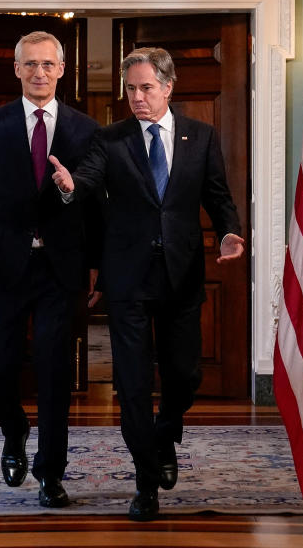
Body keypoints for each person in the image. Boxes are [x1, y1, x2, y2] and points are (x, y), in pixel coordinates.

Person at [50, 47, 245, 521]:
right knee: (132, 385)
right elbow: (90, 178)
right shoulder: (111, 138)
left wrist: (229, 231)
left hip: (181, 275)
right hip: (128, 278)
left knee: (184, 375)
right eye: (131, 89)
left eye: (146, 88)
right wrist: (70, 185)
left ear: (168, 87)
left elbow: (217, 194)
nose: (136, 97)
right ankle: (145, 483)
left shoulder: (201, 136)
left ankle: (166, 432)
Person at [0, 30, 101, 508]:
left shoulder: (85, 129)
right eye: (30, 65)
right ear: (17, 70)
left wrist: (96, 264)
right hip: (2, 267)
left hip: (61, 269)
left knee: (54, 371)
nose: (39, 73)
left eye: (48, 64)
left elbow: (96, 205)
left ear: (61, 70)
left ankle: (51, 474)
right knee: (0, 368)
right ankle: (15, 432)